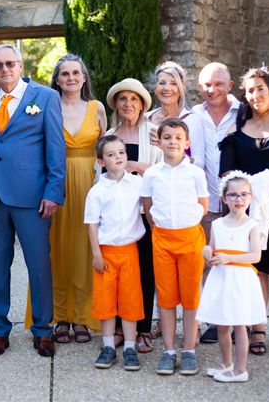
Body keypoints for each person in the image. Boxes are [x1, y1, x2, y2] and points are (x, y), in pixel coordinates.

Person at [192, 62, 269, 344]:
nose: (256, 95)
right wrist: (254, 188)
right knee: (256, 271)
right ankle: (257, 329)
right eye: (250, 91)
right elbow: (227, 171)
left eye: (260, 89)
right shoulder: (235, 130)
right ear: (244, 96)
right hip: (246, 211)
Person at [0, 44, 66, 358]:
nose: (4, 70)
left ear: (20, 65)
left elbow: (56, 148)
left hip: (33, 197)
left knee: (39, 265)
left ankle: (43, 330)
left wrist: (53, 191)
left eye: (9, 64)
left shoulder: (45, 97)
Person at [25, 54, 106, 344]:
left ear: (84, 77)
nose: (71, 78)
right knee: (55, 249)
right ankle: (60, 316)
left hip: (88, 182)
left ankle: (84, 316)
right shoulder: (48, 106)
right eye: (64, 74)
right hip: (54, 183)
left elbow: (104, 151)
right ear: (57, 80)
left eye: (76, 73)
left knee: (85, 249)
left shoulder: (97, 109)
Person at [141, 118, 208, 376]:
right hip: (163, 239)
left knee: (191, 298)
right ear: (160, 141)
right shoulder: (152, 174)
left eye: (178, 138)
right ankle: (169, 351)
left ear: (187, 142)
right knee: (166, 298)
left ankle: (189, 349)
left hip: (190, 238)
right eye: (167, 137)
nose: (173, 142)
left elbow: (203, 204)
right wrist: (157, 225)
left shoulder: (195, 173)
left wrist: (187, 223)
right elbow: (147, 205)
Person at [104, 78, 162, 353]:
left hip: (145, 212)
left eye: (134, 99)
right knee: (117, 272)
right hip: (118, 215)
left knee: (144, 271)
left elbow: (163, 171)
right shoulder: (109, 134)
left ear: (142, 105)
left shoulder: (152, 133)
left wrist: (135, 165)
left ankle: (142, 328)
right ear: (116, 104)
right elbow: (100, 172)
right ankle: (118, 326)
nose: (128, 104)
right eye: (123, 99)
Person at [197, 171, 266, 383]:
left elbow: (255, 255)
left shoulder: (252, 225)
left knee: (239, 324)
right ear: (224, 198)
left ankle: (241, 369)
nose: (239, 199)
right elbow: (214, 248)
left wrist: (228, 258)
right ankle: (227, 363)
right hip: (221, 278)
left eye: (244, 194)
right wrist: (208, 251)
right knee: (222, 324)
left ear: (251, 197)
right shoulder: (217, 224)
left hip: (240, 280)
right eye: (234, 195)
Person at [85, 135, 146, 371]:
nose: (118, 157)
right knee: (106, 300)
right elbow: (92, 224)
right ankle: (108, 346)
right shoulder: (97, 191)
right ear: (101, 162)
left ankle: (130, 347)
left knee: (130, 299)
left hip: (129, 251)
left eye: (121, 152)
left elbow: (154, 181)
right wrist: (96, 254)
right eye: (111, 155)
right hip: (106, 253)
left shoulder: (137, 184)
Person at [147, 61, 205, 168]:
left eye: (173, 83)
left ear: (181, 88)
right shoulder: (146, 118)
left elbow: (199, 162)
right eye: (162, 83)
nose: (167, 88)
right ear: (155, 88)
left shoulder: (192, 120)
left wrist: (169, 148)